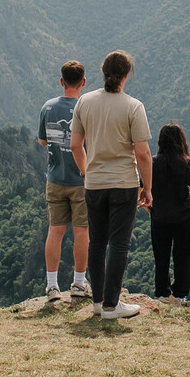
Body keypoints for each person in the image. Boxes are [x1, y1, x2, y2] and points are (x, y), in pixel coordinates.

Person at [70, 50, 152, 320]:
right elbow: (142, 153)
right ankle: (111, 305)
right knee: (119, 243)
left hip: (94, 183)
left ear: (103, 72)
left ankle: (98, 302)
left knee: (97, 242)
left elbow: (75, 145)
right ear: (127, 75)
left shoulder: (85, 102)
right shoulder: (133, 106)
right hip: (123, 184)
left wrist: (86, 171)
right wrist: (147, 188)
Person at [37, 61, 91, 297]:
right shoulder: (86, 108)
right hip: (81, 180)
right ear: (83, 82)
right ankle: (79, 283)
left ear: (61, 81)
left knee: (55, 231)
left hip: (55, 178)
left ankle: (51, 285)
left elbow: (42, 141)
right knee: (82, 232)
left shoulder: (48, 107)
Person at [149, 122, 190, 300]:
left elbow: (142, 187)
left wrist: (149, 206)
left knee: (161, 257)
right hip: (183, 218)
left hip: (159, 217)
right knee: (183, 257)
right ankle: (180, 294)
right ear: (181, 141)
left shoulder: (153, 163)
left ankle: (162, 293)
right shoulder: (186, 163)